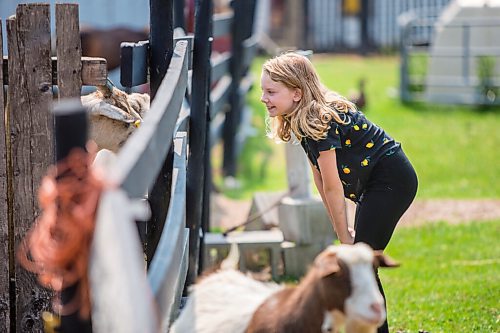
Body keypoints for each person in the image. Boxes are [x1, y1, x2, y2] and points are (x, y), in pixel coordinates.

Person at [260, 52, 418, 333]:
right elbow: (320, 180)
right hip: (374, 184)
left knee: (362, 262)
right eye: (264, 91)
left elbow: (334, 186)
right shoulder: (302, 119)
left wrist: (347, 239)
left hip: (391, 180)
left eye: (271, 91)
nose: (264, 98)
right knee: (358, 261)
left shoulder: (321, 119)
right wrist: (340, 230)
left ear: (297, 93)